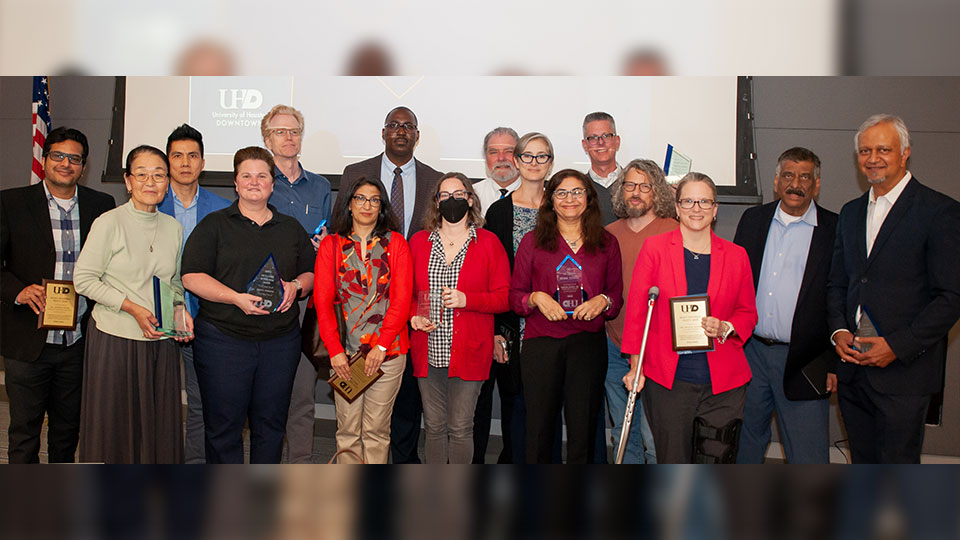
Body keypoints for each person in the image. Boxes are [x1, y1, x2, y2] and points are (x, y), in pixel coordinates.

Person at [827, 114, 960, 463]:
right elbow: (838, 283)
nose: (873, 158)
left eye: (883, 149)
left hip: (904, 375)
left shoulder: (940, 212)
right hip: (854, 370)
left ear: (905, 154)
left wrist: (896, 347)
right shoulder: (851, 212)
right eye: (865, 150)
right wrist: (839, 330)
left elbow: (951, 297)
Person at [181, 146, 315, 464]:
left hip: (279, 343)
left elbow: (310, 273)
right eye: (247, 176)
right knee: (223, 428)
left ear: (272, 183)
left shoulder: (290, 228)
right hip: (222, 341)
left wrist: (295, 287)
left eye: (262, 176)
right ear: (236, 183)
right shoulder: (214, 225)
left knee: (270, 426)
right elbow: (191, 277)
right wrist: (235, 298)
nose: (254, 182)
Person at [622, 172, 757, 464]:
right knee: (673, 462)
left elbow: (747, 312)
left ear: (715, 209)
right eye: (688, 201)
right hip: (669, 381)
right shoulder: (655, 249)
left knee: (716, 462)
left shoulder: (737, 256)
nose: (696, 208)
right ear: (677, 206)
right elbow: (637, 312)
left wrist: (726, 326)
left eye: (704, 201)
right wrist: (636, 366)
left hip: (724, 384)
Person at [0, 127, 115, 463]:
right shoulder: (10, 202)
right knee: (24, 432)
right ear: (45, 158)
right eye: (59, 156)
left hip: (78, 342)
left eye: (74, 159)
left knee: (67, 433)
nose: (66, 164)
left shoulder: (101, 205)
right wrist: (19, 290)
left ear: (84, 165)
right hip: (27, 341)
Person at [73, 145, 189, 464]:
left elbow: (174, 281)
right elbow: (84, 279)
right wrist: (132, 308)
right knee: (114, 429)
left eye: (159, 175)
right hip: (115, 339)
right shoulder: (109, 223)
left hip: (160, 343)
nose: (150, 182)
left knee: (158, 429)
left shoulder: (173, 228)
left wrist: (179, 312)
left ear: (168, 182)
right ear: (128, 181)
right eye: (142, 175)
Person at [340, 106, 442, 464]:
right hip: (355, 324)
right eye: (394, 125)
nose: (401, 131)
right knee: (352, 426)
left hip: (414, 307)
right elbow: (340, 233)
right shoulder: (356, 173)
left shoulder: (435, 179)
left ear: (417, 134)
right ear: (383, 132)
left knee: (402, 407)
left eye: (408, 126)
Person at [510, 169, 623, 464]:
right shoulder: (532, 242)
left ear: (589, 198)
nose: (569, 199)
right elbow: (515, 296)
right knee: (539, 428)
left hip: (587, 345)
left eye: (577, 192)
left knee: (584, 429)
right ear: (550, 200)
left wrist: (604, 300)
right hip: (541, 344)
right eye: (561, 193)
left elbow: (616, 296)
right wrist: (536, 297)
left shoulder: (607, 243)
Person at [733, 147, 839, 464]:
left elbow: (842, 298)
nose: (796, 184)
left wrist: (834, 360)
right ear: (778, 181)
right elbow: (735, 283)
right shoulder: (753, 219)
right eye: (789, 176)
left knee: (807, 454)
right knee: (743, 444)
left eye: (805, 176)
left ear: (816, 184)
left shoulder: (834, 230)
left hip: (806, 358)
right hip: (751, 352)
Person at [409, 173, 511, 463]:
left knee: (461, 427)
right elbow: (405, 293)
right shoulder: (419, 242)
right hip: (428, 349)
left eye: (458, 194)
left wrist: (469, 300)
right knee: (434, 427)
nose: (451, 200)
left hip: (471, 349)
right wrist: (413, 317)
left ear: (470, 198)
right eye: (444, 195)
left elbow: (504, 297)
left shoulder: (489, 243)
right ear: (436, 201)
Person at [313, 176, 413, 464]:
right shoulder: (332, 245)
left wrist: (381, 347)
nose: (366, 205)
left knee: (377, 430)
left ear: (381, 206)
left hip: (388, 353)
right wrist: (334, 351)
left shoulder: (397, 244)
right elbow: (323, 302)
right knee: (347, 432)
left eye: (374, 199)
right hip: (346, 356)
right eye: (360, 198)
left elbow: (402, 300)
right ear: (349, 205)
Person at [261, 104, 333, 464]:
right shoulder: (259, 181)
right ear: (267, 138)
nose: (288, 138)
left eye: (294, 131)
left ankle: (301, 468)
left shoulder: (320, 185)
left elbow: (331, 238)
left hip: (307, 299)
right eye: (280, 131)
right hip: (266, 299)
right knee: (269, 393)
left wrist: (325, 244)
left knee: (304, 393)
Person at [158, 123, 231, 464]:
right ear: (167, 162)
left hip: (205, 322)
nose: (185, 163)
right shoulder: (150, 204)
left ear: (203, 162)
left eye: (192, 156)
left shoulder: (222, 208)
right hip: (154, 320)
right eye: (177, 156)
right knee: (155, 401)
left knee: (202, 404)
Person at [482, 131, 555, 463]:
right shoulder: (499, 212)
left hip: (554, 323)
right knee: (516, 407)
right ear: (517, 160)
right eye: (528, 155)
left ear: (550, 163)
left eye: (542, 156)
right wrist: (497, 330)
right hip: (513, 324)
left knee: (548, 407)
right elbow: (492, 276)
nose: (534, 163)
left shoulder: (562, 208)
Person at [603, 159, 678, 464]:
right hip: (614, 344)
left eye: (644, 186)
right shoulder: (608, 234)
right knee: (622, 430)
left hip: (655, 347)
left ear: (656, 191)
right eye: (630, 185)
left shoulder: (673, 231)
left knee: (654, 433)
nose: (635, 192)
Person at [581, 112, 619, 225]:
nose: (600, 143)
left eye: (606, 136)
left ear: (617, 142)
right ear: (585, 145)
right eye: (593, 138)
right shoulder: (578, 189)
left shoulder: (634, 187)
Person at [473, 127, 521, 212]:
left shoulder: (540, 197)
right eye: (494, 152)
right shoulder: (473, 194)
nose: (501, 158)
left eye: (509, 151)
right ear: (485, 157)